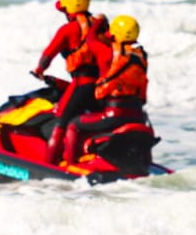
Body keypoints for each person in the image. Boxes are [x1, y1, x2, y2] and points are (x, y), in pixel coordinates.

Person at [31, 0, 107, 165]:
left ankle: (50, 165)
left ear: (69, 9)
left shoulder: (68, 29)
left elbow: (48, 54)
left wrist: (39, 70)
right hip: (101, 87)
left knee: (61, 121)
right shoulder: (101, 27)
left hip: (82, 84)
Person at [62, 14, 148, 167]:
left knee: (73, 125)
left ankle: (70, 165)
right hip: (138, 115)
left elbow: (90, 40)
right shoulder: (142, 56)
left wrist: (98, 23)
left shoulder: (107, 53)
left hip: (114, 113)